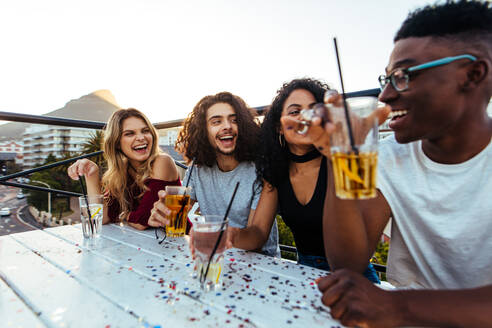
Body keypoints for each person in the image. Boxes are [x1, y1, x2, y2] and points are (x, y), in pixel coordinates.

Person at [296, 1, 492, 327]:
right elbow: (348, 261)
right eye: (386, 78)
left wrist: (397, 306)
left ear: (473, 74)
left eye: (403, 76)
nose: (385, 95)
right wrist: (339, 153)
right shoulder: (391, 155)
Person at [227, 78, 379, 283]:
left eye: (314, 110)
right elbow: (259, 232)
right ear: (279, 127)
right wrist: (232, 236)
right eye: (295, 111)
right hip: (305, 273)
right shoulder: (276, 171)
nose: (306, 117)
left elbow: (364, 238)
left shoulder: (345, 160)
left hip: (356, 276)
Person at [148, 92, 279, 257]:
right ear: (204, 131)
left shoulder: (260, 169)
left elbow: (257, 237)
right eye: (216, 121)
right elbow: (181, 209)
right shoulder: (197, 168)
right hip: (213, 257)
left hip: (260, 264)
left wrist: (228, 235)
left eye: (234, 120)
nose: (227, 126)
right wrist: (163, 215)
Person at [68, 108, 180, 230]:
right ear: (116, 142)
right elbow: (101, 217)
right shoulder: (122, 172)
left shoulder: (163, 161)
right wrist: (92, 175)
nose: (141, 137)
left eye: (145, 131)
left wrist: (125, 215)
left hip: (178, 241)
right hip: (145, 244)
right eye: (129, 133)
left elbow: (142, 220)